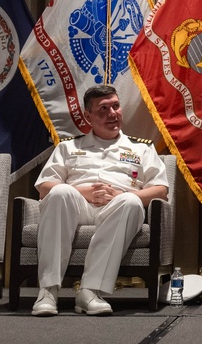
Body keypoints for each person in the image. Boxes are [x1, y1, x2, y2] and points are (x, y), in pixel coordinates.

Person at [31, 85, 168, 317]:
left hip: (119, 211)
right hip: (77, 207)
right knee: (59, 193)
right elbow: (44, 186)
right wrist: (83, 192)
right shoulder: (67, 147)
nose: (112, 113)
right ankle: (48, 291)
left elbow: (161, 190)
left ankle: (90, 291)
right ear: (88, 116)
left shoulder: (141, 148)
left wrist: (122, 195)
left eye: (115, 106)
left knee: (131, 202)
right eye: (103, 109)